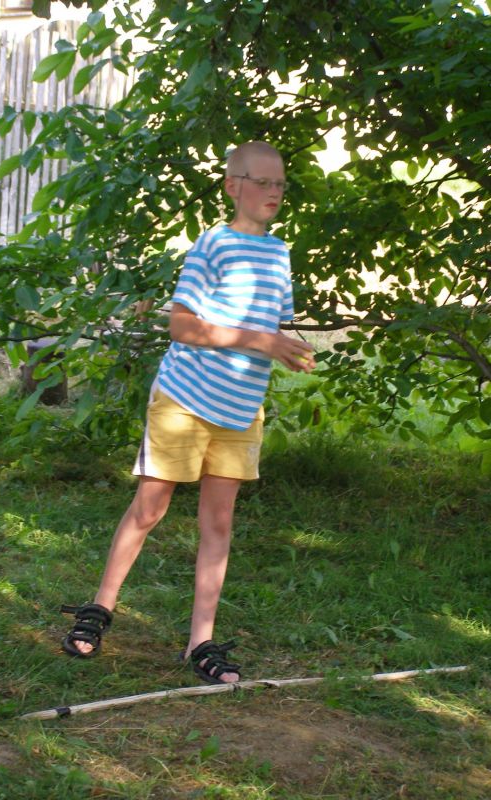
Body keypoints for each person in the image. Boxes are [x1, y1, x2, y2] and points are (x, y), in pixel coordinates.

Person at [60, 141, 316, 683]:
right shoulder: (213, 244)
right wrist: (261, 341)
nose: (273, 192)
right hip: (186, 398)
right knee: (149, 509)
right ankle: (99, 609)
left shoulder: (279, 253)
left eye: (280, 184)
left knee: (218, 523)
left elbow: (268, 326)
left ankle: (200, 641)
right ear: (232, 186)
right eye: (262, 182)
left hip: (240, 409)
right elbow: (181, 325)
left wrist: (282, 348)